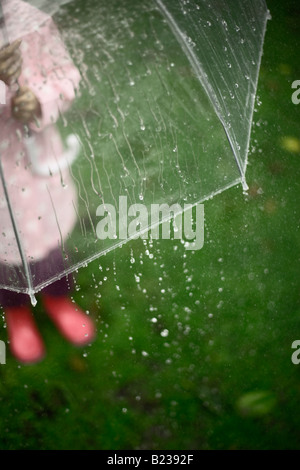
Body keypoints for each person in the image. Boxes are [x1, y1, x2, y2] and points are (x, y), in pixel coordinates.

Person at [0, 0, 95, 363]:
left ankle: (57, 298)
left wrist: (36, 101)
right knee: (3, 256)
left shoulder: (29, 18)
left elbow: (64, 76)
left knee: (48, 243)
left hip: (35, 168)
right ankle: (17, 311)